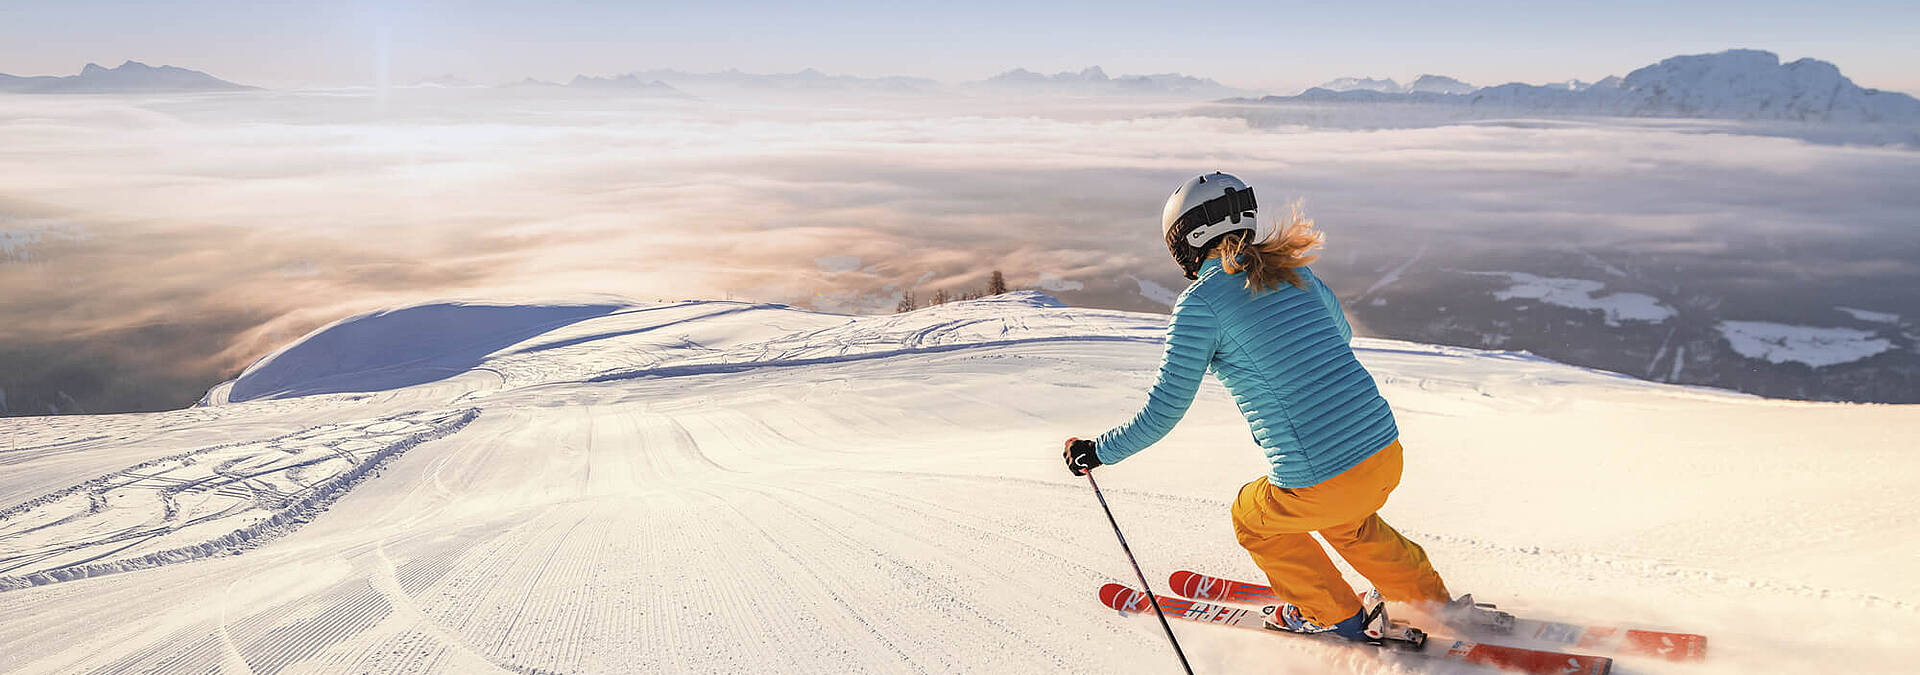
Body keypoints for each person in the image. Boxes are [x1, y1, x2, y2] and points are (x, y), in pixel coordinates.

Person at [1063, 172, 1452, 642]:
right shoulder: (1296, 271)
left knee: (1253, 518)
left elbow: (1163, 411)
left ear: (1184, 241)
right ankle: (1429, 601)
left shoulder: (1200, 306)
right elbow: (1340, 337)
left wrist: (1098, 451)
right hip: (1385, 452)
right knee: (1348, 522)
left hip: (1322, 477)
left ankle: (1334, 615)